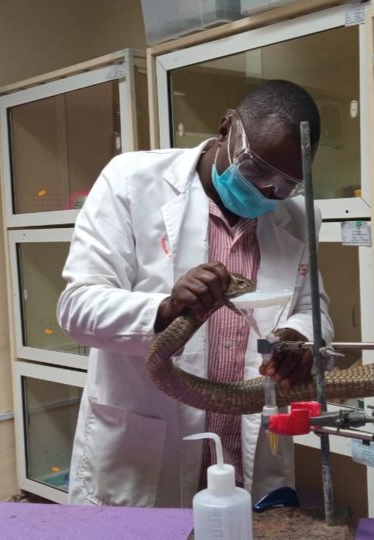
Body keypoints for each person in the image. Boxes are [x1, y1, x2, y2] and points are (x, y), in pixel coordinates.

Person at [57, 79, 334, 508]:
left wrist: (296, 339)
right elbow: (77, 309)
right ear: (227, 129)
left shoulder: (297, 217)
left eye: (285, 185)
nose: (267, 192)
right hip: (150, 449)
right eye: (258, 168)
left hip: (246, 452)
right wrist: (163, 311)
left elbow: (309, 308)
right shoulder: (131, 182)